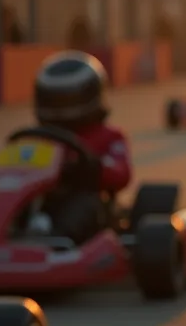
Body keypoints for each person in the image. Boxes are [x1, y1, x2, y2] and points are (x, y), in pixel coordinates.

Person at [30, 51, 132, 244]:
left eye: (65, 100)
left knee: (84, 203)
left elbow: (122, 173)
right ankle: (5, 238)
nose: (60, 107)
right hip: (43, 201)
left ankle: (59, 243)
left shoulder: (110, 136)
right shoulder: (38, 139)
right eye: (53, 100)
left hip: (91, 202)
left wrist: (90, 166)